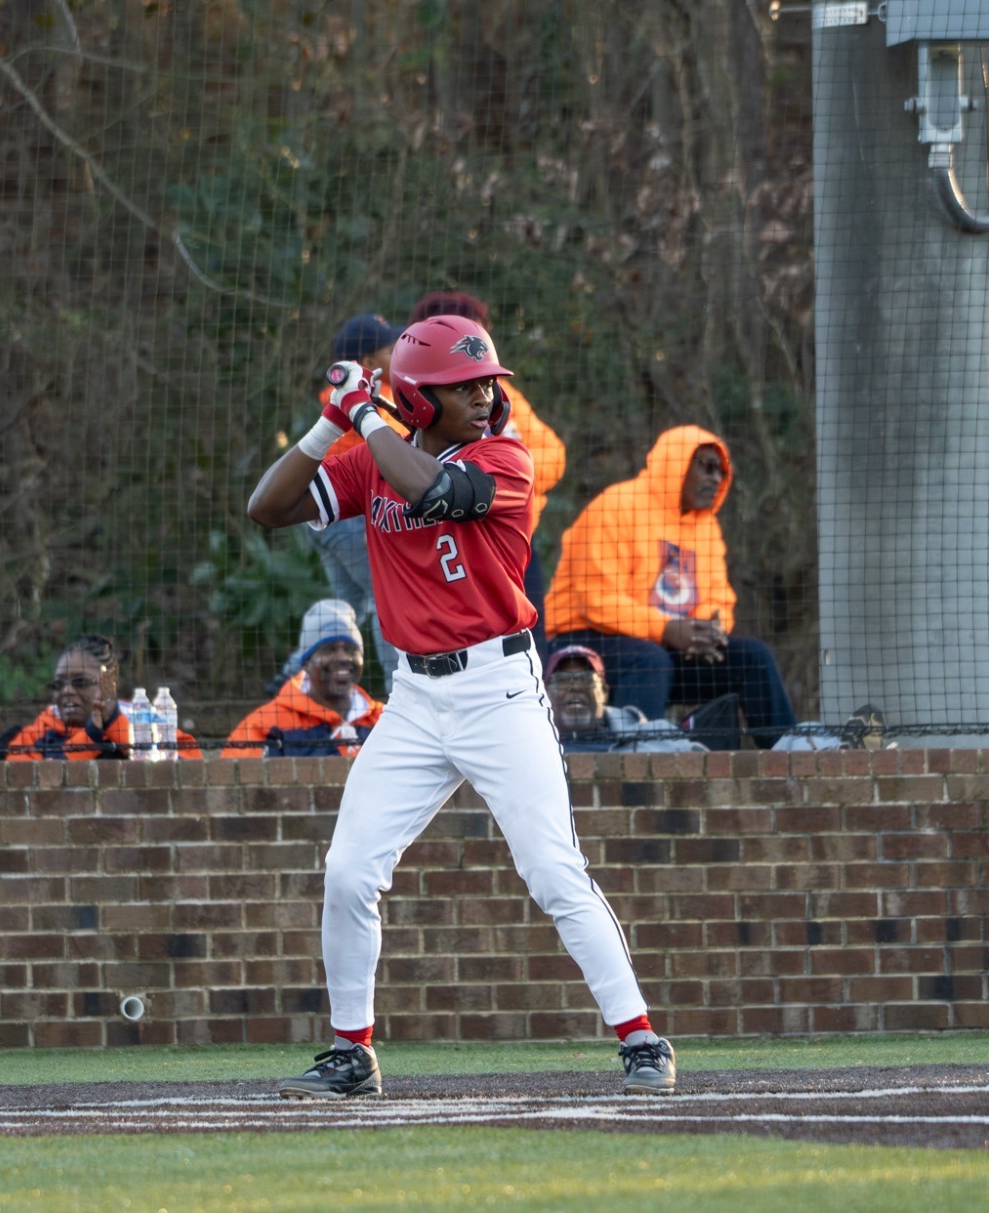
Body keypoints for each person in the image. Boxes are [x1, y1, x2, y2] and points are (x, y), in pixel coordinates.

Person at [246, 313, 676, 1097]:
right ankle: (352, 1052)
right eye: (461, 387)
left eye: (486, 382)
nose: (483, 397)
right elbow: (266, 508)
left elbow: (432, 489)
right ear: (419, 397)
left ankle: (641, 1038)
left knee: (552, 869)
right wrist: (329, 422)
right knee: (348, 870)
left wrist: (367, 412)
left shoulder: (504, 456)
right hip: (414, 697)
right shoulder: (371, 457)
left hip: (498, 690)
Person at [545, 424, 797, 747]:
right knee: (650, 660)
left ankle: (793, 755)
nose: (716, 478)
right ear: (676, 463)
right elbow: (595, 600)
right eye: (706, 466)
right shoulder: (616, 505)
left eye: (721, 472)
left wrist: (705, 629)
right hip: (582, 639)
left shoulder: (706, 527)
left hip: (665, 644)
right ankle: (634, 758)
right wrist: (667, 629)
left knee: (752, 657)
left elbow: (718, 597)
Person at [410, 291, 566, 652]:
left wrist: (505, 483)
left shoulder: (500, 391)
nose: (482, 341)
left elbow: (554, 454)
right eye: (472, 332)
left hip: (512, 533)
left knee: (531, 636)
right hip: (448, 539)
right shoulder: (414, 395)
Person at [274, 314, 402, 692]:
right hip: (344, 517)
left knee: (347, 609)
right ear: (369, 361)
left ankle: (289, 680)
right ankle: (399, 692)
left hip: (324, 518)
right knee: (384, 597)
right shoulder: (366, 401)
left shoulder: (363, 395)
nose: (398, 355)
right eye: (391, 350)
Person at [0, 634, 202, 761]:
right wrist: (91, 736)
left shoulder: (144, 719)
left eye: (80, 682)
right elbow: (25, 779)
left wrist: (114, 723)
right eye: (59, 684)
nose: (66, 691)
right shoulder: (42, 728)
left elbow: (187, 768)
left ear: (108, 684)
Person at [227, 600, 384, 759]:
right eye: (329, 650)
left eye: (351, 650)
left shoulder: (384, 719)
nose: (343, 657)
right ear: (306, 663)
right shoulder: (262, 727)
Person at [545, 645, 704, 755]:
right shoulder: (533, 748)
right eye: (563, 680)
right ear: (545, 694)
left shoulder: (652, 736)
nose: (575, 687)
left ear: (604, 693)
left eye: (587, 679)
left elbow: (699, 759)